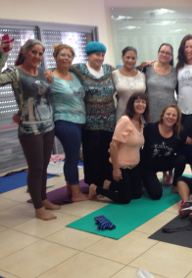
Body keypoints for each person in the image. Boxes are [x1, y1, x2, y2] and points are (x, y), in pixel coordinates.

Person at [0, 39, 59, 220]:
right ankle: (38, 207)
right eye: (33, 52)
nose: (37, 56)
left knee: (44, 166)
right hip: (29, 129)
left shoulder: (42, 72)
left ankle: (43, 199)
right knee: (36, 168)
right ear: (25, 53)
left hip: (48, 126)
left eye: (40, 53)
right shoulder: (14, 72)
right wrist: (2, 55)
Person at [46, 41, 116, 190]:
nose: (100, 58)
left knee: (107, 154)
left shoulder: (109, 69)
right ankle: (93, 185)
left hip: (109, 121)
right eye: (97, 54)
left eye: (103, 55)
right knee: (91, 156)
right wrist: (47, 71)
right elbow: (60, 67)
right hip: (89, 122)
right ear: (89, 55)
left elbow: (124, 75)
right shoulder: (78, 69)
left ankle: (107, 183)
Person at [89, 93, 149, 204]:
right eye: (137, 101)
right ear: (132, 104)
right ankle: (96, 189)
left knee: (136, 194)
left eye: (143, 102)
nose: (140, 104)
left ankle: (110, 184)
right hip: (121, 165)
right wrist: (116, 168)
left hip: (134, 165)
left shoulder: (141, 122)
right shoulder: (125, 120)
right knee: (125, 199)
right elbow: (113, 145)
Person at [48, 44, 87, 202]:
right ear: (56, 56)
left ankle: (70, 191)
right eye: (62, 55)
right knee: (72, 158)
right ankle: (76, 194)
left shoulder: (73, 74)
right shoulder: (50, 76)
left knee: (71, 157)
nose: (66, 58)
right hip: (64, 121)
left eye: (69, 56)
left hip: (79, 120)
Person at [138, 104, 192, 199]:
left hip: (164, 163)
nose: (170, 117)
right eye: (168, 114)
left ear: (177, 119)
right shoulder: (150, 128)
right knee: (156, 194)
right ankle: (144, 180)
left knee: (181, 159)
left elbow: (191, 141)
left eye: (174, 115)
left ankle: (175, 186)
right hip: (148, 166)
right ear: (163, 115)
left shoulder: (178, 133)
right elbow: (136, 139)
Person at [140, 43, 177, 123]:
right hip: (150, 114)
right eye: (162, 52)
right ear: (158, 53)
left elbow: (180, 93)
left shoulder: (176, 72)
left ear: (172, 56)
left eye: (167, 53)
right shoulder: (147, 68)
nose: (164, 54)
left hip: (169, 115)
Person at [113, 46, 146, 121]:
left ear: (136, 59)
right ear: (122, 58)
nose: (130, 61)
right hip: (122, 114)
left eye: (133, 58)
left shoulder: (142, 75)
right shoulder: (114, 74)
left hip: (138, 116)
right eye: (127, 57)